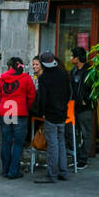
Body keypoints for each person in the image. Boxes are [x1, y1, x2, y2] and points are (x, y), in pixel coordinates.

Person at [32, 52, 72, 183]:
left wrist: (40, 111)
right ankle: (64, 172)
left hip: (50, 115)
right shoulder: (63, 73)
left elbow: (42, 98)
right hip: (62, 114)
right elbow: (68, 93)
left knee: (52, 145)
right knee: (61, 142)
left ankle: (52, 174)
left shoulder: (44, 77)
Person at [0, 57, 36, 180]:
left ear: (9, 66)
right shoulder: (26, 78)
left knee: (6, 142)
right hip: (19, 112)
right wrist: (26, 107)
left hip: (6, 111)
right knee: (18, 143)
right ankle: (13, 171)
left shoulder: (2, 77)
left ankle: (5, 170)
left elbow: (2, 94)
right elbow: (32, 96)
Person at [69, 47, 92, 168]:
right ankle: (76, 156)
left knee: (86, 133)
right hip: (74, 107)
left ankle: (83, 159)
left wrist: (86, 100)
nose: (70, 58)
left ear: (77, 58)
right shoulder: (73, 71)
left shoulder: (89, 71)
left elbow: (93, 89)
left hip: (85, 108)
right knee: (74, 133)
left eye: (72, 56)